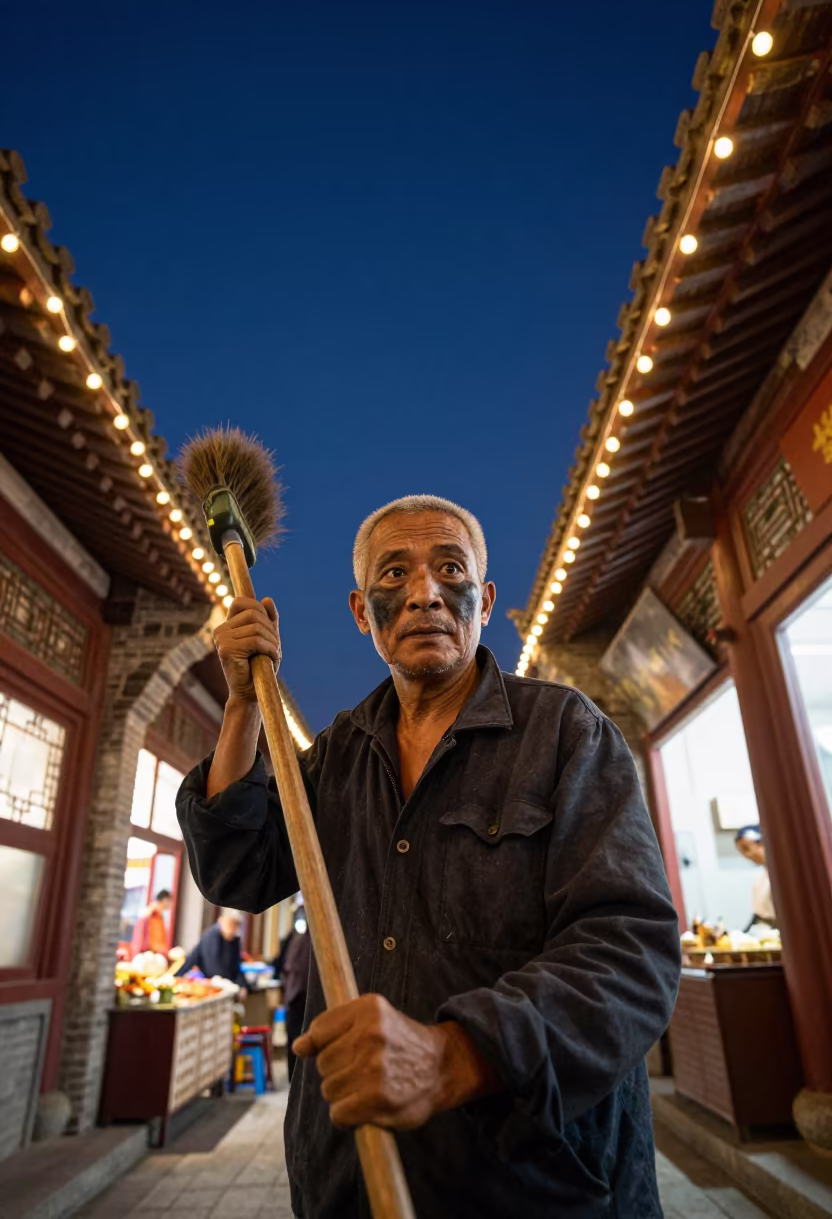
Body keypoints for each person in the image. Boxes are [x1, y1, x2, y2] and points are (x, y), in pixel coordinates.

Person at [177, 496, 681, 1219]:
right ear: (361, 611)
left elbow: (631, 954)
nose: (424, 593)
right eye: (394, 574)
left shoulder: (567, 735)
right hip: (347, 1179)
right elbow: (238, 870)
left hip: (537, 1186)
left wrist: (455, 1056)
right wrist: (239, 709)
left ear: (486, 599)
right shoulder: (339, 756)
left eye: (450, 568)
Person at [272, 906, 312, 1080]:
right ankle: (295, 1077)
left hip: (303, 995)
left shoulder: (306, 937)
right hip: (297, 995)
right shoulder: (295, 937)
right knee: (295, 1036)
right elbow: (280, 962)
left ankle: (297, 1077)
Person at [179, 910, 249, 992]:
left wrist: (242, 985)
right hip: (213, 985)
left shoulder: (234, 941)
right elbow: (212, 968)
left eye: (236, 926)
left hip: (228, 986)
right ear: (221, 921)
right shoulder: (211, 937)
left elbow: (236, 967)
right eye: (230, 924)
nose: (232, 930)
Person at [735, 823, 777, 930]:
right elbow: (759, 914)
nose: (747, 856)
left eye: (747, 849)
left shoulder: (783, 873)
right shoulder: (760, 879)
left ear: (762, 843)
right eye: (742, 852)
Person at [132, 888, 171, 956]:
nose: (171, 904)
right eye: (170, 901)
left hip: (153, 953)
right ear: (165, 900)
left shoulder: (159, 916)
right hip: (148, 955)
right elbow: (143, 939)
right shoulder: (150, 914)